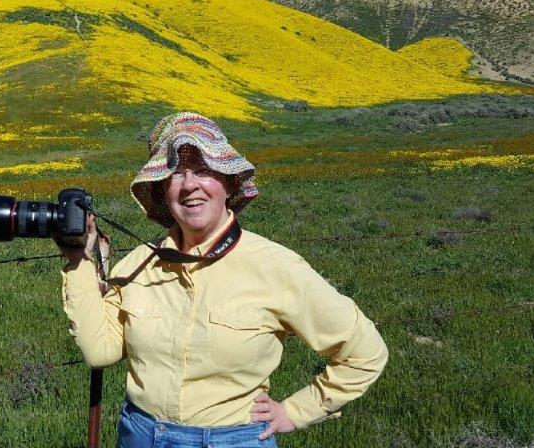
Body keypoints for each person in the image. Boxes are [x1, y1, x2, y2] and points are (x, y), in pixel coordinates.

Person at [59, 112, 388, 448]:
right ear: (162, 190)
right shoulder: (138, 264)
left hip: (233, 439)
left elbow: (365, 352)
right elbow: (100, 351)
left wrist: (295, 411)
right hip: (141, 434)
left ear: (229, 183)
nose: (189, 185)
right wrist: (77, 260)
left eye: (204, 170)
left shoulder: (276, 267)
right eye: (175, 174)